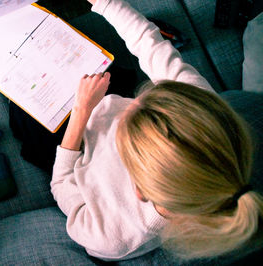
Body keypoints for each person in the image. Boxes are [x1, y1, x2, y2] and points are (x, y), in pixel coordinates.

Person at [48, 0, 263, 261]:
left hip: (74, 154)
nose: (127, 103)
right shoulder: (200, 108)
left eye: (124, 128)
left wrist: (82, 112)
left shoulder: (108, 237)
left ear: (140, 191)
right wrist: (107, 3)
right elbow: (150, 44)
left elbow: (60, 184)